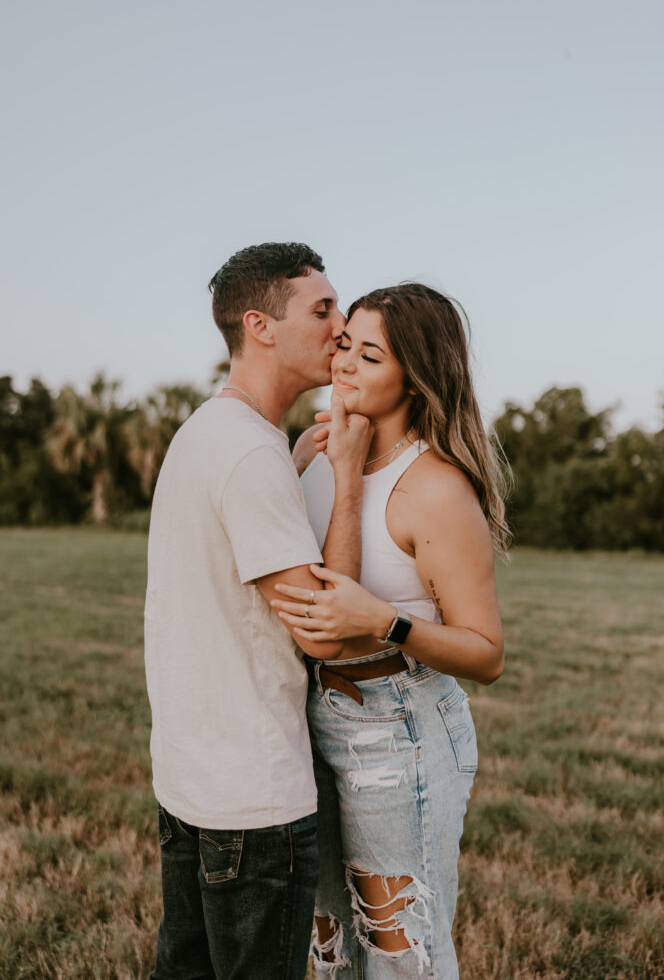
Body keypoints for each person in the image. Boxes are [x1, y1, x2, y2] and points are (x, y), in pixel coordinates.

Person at [144, 242, 373, 980]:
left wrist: (294, 465)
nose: (341, 327)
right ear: (260, 324)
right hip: (250, 798)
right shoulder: (249, 453)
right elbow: (323, 632)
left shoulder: (210, 433)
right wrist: (344, 476)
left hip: (191, 779)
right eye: (323, 308)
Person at [270, 283, 511, 979]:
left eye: (367, 355)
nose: (343, 363)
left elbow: (486, 653)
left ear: (414, 377)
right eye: (343, 343)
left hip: (399, 725)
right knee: (326, 945)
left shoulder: (434, 488)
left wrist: (386, 622)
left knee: (400, 946)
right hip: (311, 713)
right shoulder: (313, 453)